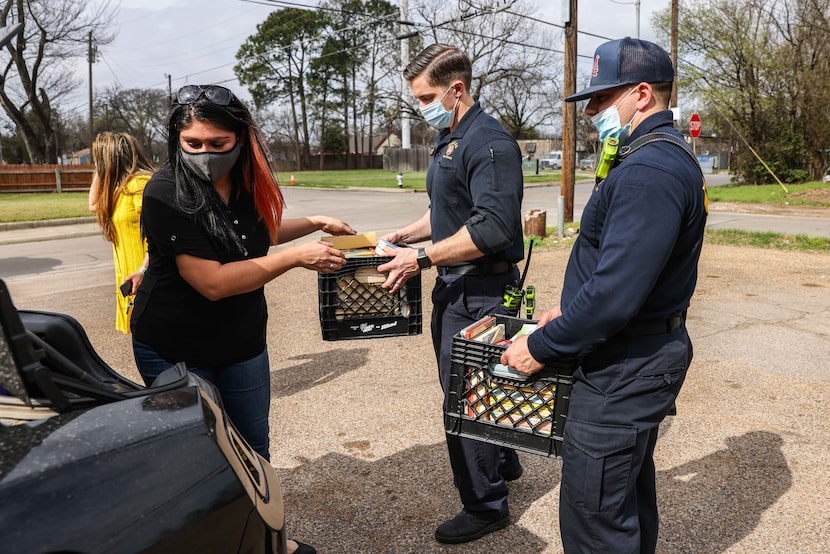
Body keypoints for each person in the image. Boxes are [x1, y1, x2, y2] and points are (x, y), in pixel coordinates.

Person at [501, 37, 708, 553]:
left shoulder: (649, 171)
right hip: (633, 354)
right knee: (625, 502)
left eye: (600, 98)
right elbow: (626, 277)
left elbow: (615, 297)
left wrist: (541, 347)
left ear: (641, 94)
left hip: (623, 368)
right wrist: (569, 311)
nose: (591, 111)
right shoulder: (653, 156)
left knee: (596, 521)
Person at [131, 84, 354, 554]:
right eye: (193, 144)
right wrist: (296, 258)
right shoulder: (166, 191)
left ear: (241, 138)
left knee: (254, 444)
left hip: (241, 338)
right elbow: (212, 281)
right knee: (203, 454)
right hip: (174, 342)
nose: (206, 154)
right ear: (177, 140)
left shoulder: (249, 180)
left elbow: (253, 233)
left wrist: (314, 221)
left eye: (218, 144)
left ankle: (264, 541)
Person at [377, 44, 525, 544]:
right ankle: (503, 462)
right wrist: (407, 236)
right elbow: (448, 211)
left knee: (467, 397)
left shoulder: (489, 145)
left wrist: (419, 259)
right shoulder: (450, 138)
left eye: (425, 97)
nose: (421, 107)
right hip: (455, 286)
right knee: (478, 386)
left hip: (481, 289)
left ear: (456, 89)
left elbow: (493, 228)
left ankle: (486, 505)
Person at [88, 131, 155, 334]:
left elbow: (160, 236)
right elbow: (93, 204)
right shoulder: (119, 189)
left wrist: (143, 270)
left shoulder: (140, 185)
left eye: (100, 160)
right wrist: (102, 169)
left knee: (152, 343)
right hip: (132, 278)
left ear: (112, 159)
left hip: (146, 278)